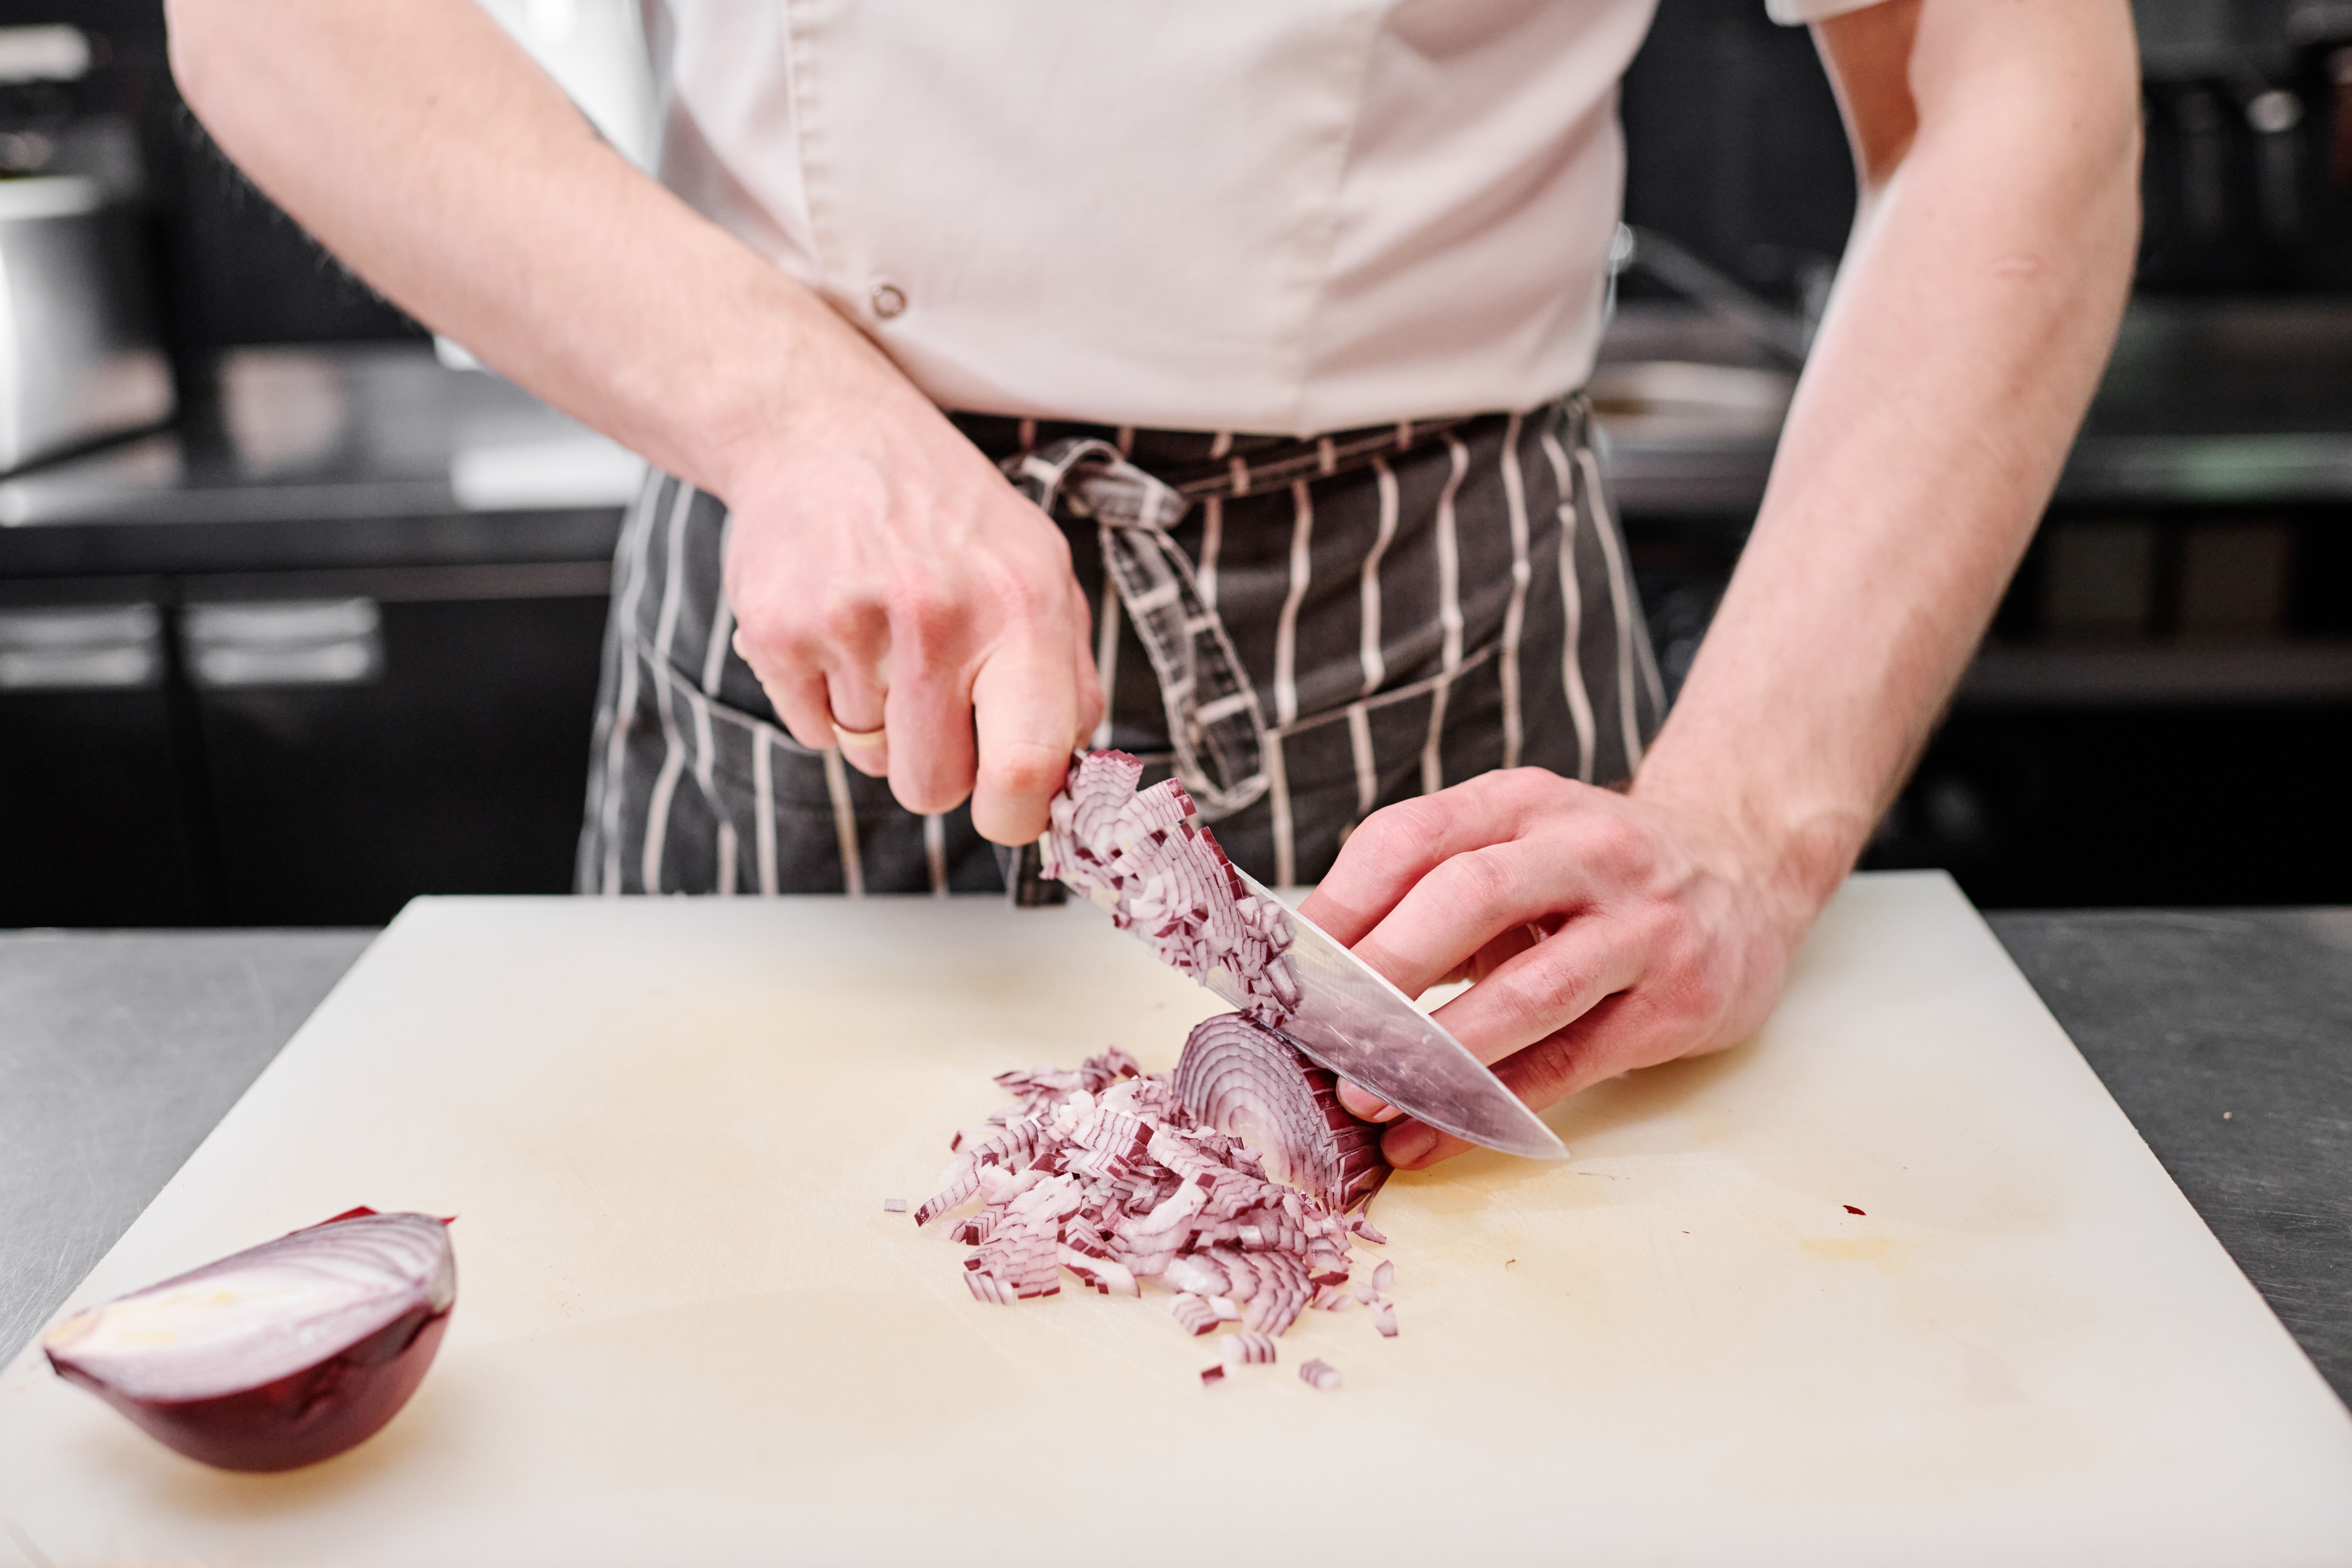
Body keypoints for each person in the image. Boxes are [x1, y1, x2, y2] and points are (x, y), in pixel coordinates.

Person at [167, 0, 2140, 1169]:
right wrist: (795, 423)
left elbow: (2006, 79)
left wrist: (1749, 825)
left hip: (1439, 614)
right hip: (810, 587)